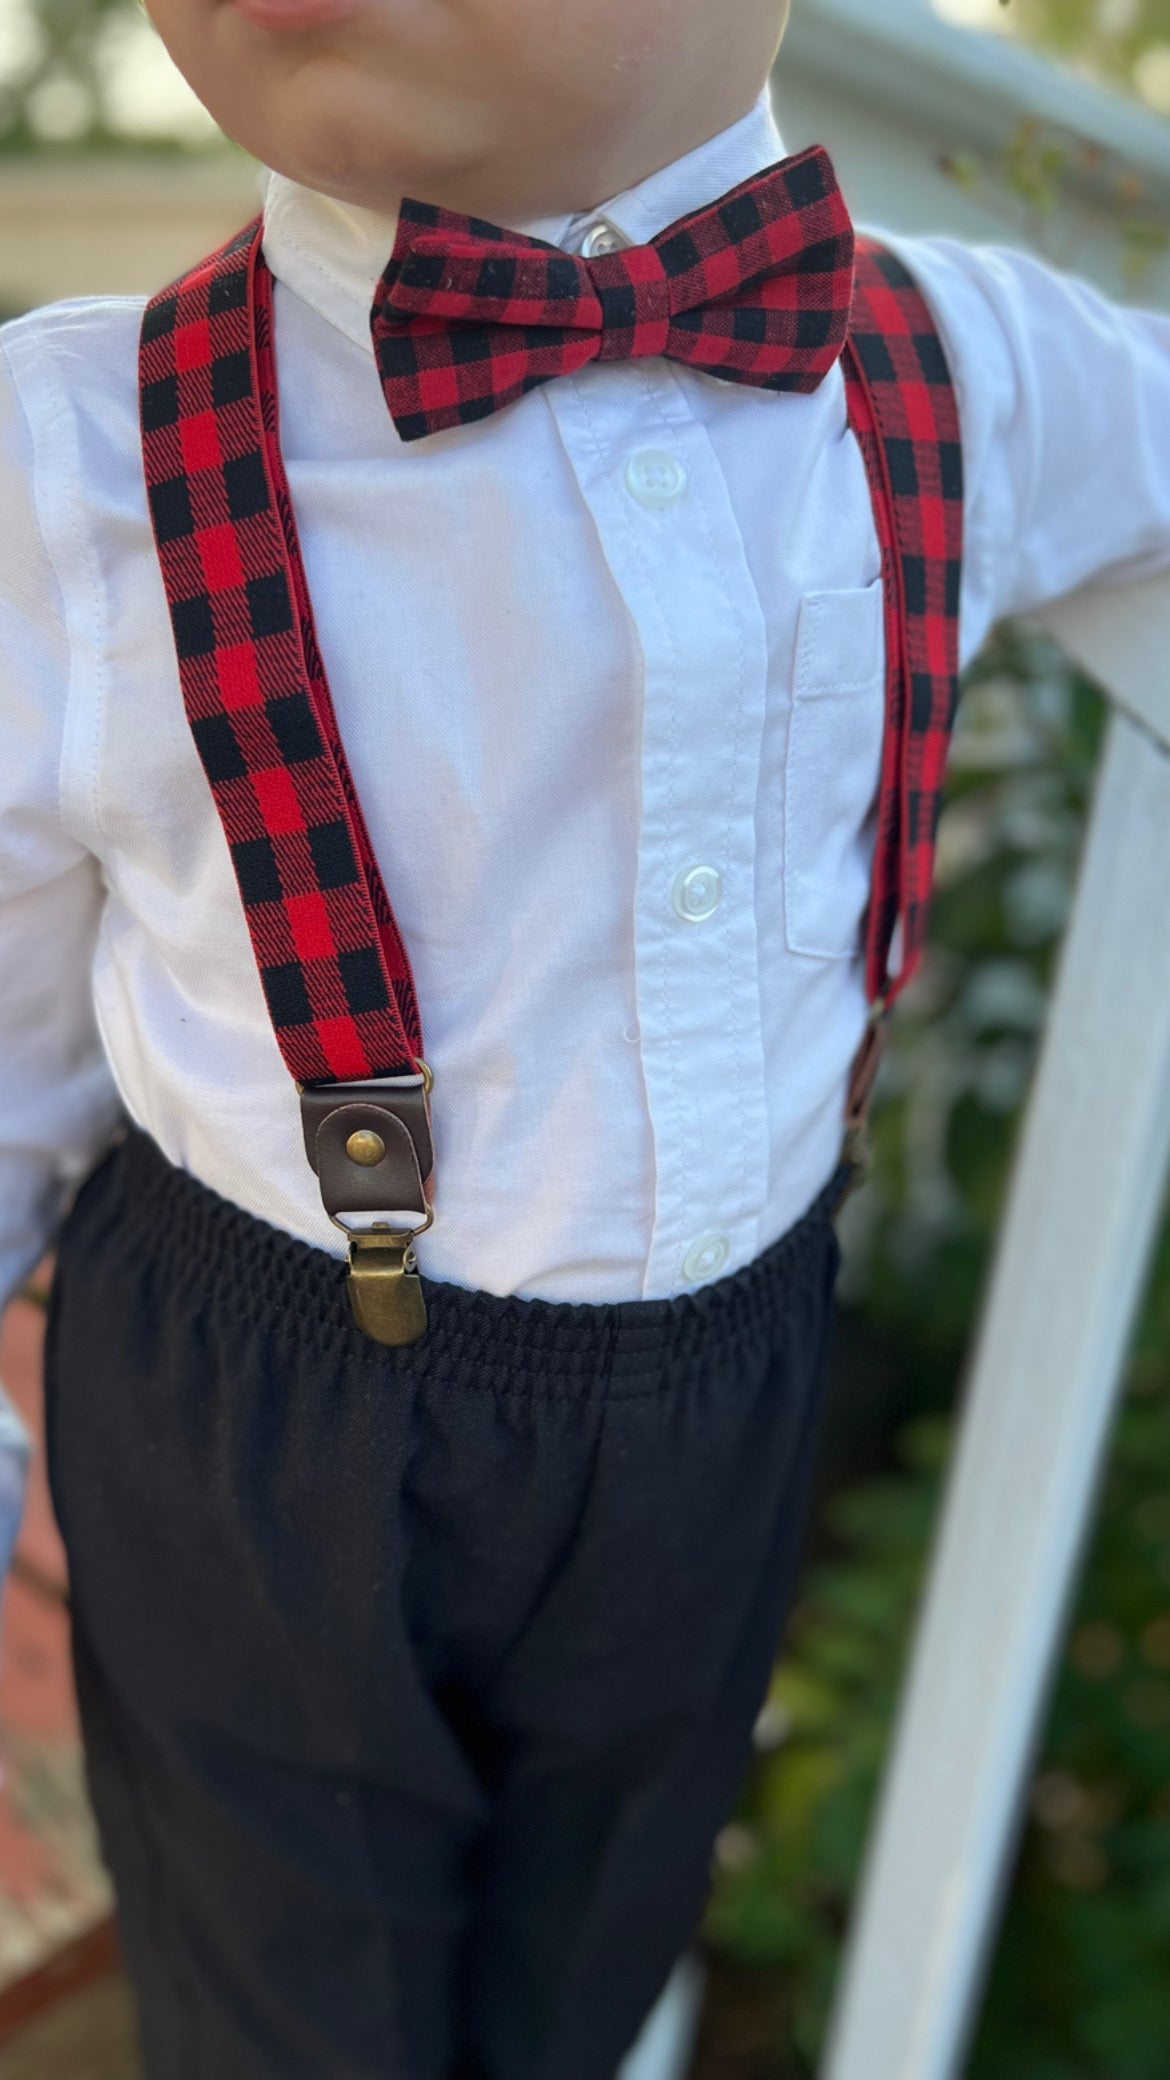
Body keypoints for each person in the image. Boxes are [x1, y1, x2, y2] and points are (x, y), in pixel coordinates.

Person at [1, 0, 1168, 2073]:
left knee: (599, 1961)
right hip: (259, 1435)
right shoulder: (70, 462)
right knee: (286, 2013)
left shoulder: (955, 370)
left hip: (717, 1404)